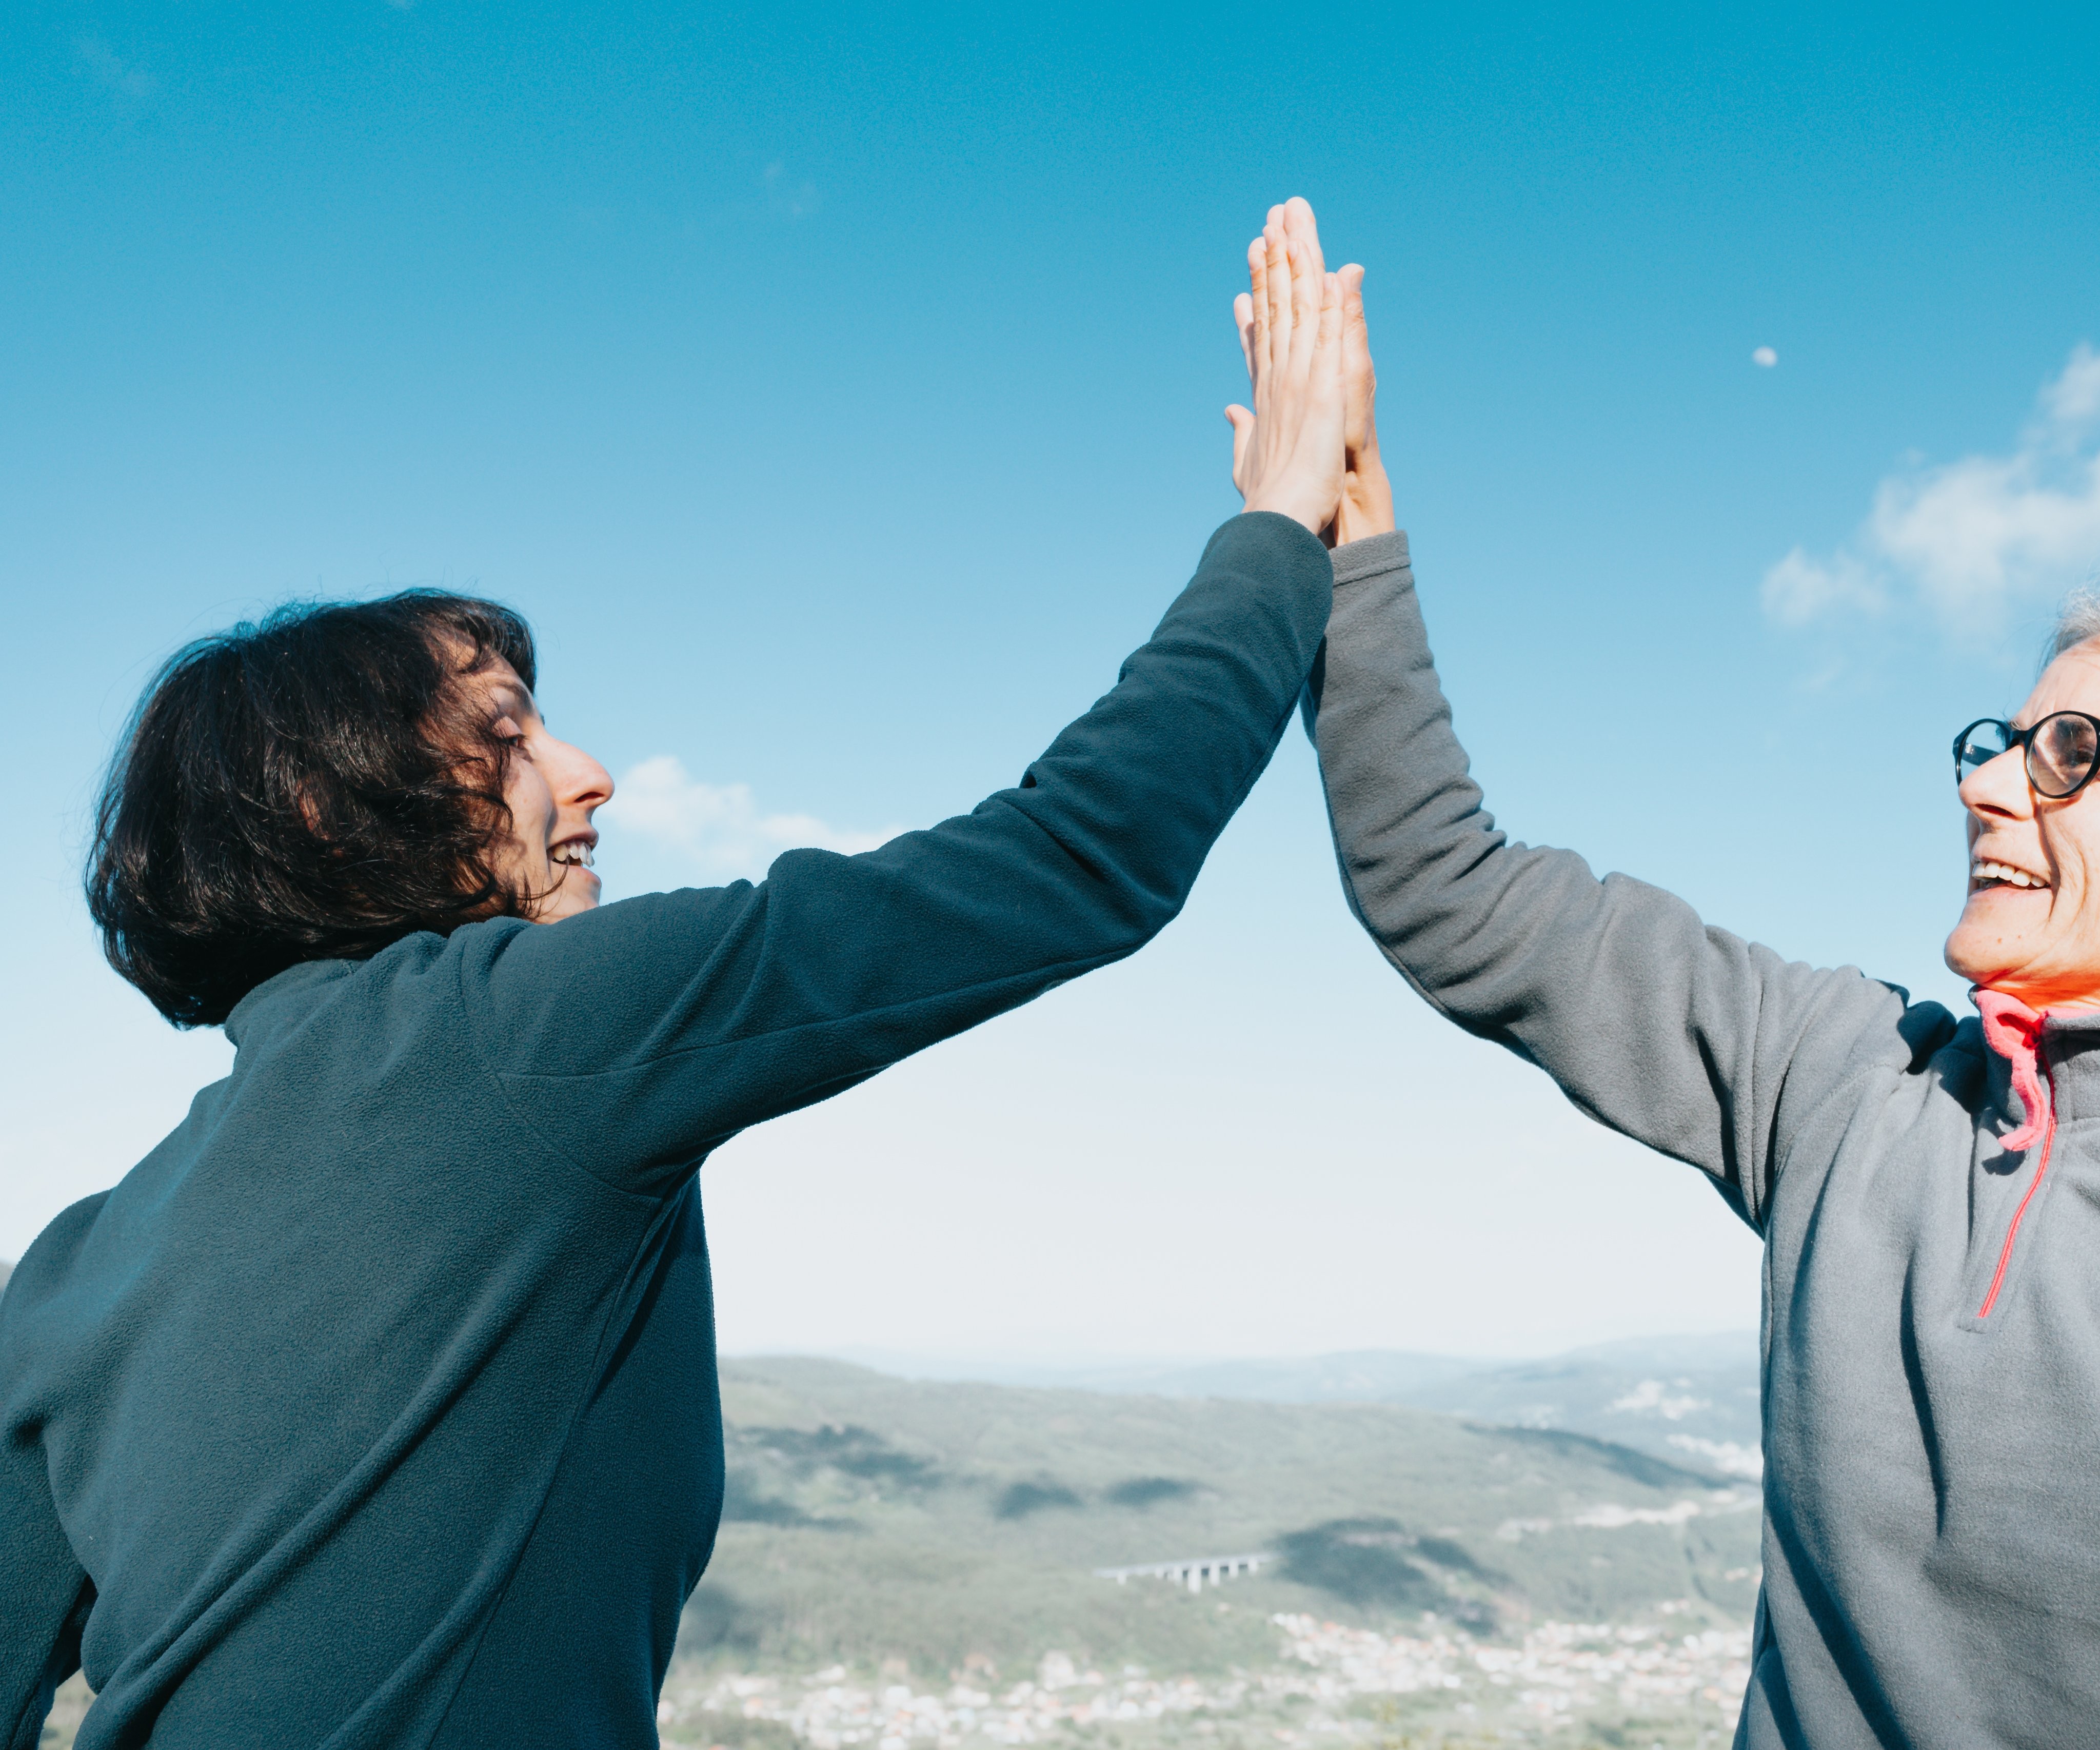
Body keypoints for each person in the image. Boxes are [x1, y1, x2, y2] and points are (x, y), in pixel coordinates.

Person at [0, 199, 1354, 1749]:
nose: (588, 774)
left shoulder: (63, 1274)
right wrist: (1281, 523)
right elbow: (1077, 852)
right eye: (506, 729)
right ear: (323, 808)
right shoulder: (513, 1039)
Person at [1295, 269, 2100, 1743]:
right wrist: (1347, 540)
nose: (1985, 780)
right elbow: (1449, 889)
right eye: (2001, 738)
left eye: (2072, 749)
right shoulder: (1841, 1084)